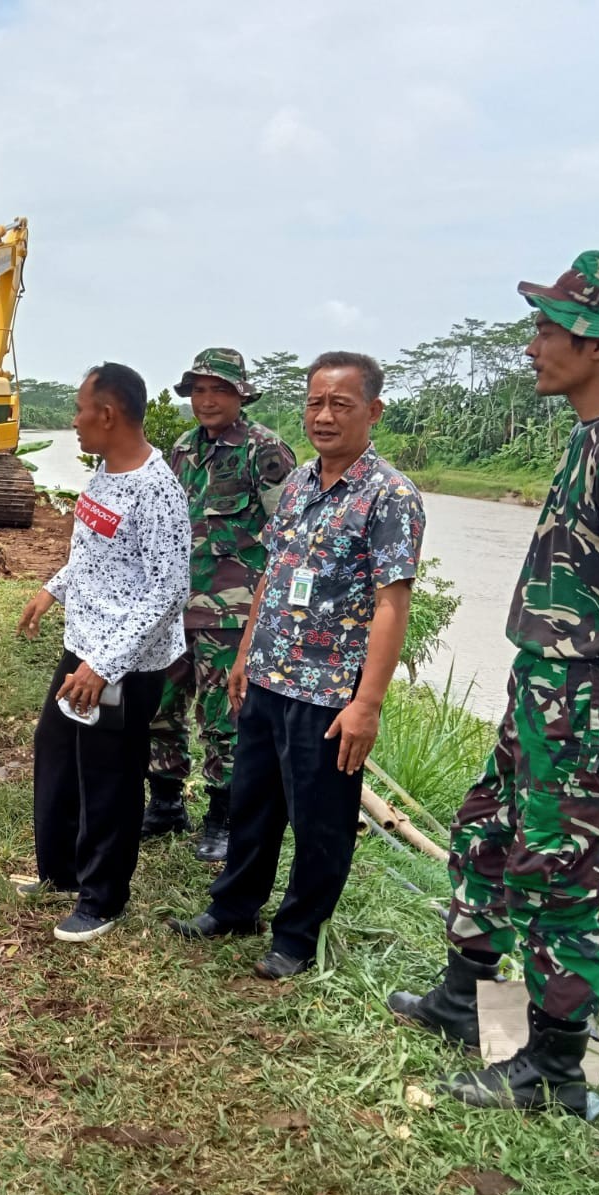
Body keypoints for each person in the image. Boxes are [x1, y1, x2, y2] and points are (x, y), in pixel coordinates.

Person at [389, 252, 599, 1116]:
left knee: (560, 880)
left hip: (583, 697)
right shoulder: (593, 434)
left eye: (547, 330)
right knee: (486, 833)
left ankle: (554, 1071)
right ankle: (463, 997)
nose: (531, 345)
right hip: (547, 686)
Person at [168, 352, 424, 979]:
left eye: (341, 403)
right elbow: (272, 575)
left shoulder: (389, 496)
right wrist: (246, 658)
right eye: (315, 402)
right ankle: (234, 908)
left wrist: (367, 703)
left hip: (331, 693)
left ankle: (297, 937)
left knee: (320, 825)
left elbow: (393, 604)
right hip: (269, 676)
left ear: (373, 411)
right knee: (253, 804)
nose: (325, 415)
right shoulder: (302, 482)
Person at [17, 363, 190, 942]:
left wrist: (104, 666)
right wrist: (53, 588)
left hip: (124, 662)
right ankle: (62, 872)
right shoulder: (102, 473)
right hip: (84, 646)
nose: (75, 420)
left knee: (109, 774)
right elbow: (96, 556)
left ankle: (103, 899)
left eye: (80, 409)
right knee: (58, 751)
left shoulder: (156, 491)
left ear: (108, 415)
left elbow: (167, 591)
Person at [142, 348, 295, 862]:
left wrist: (271, 616)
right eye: (199, 390)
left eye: (219, 390)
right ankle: (164, 803)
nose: (207, 401)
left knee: (224, 717)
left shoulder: (265, 451)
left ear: (240, 395)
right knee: (160, 706)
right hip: (175, 605)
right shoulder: (182, 448)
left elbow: (289, 537)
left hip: (233, 613)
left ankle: (223, 817)